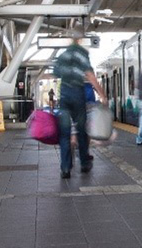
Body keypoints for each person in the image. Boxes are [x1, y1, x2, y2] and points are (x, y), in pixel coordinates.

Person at [53, 27, 107, 179]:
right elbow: (90, 75)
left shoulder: (62, 55)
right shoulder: (82, 54)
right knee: (82, 130)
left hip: (64, 95)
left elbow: (56, 73)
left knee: (64, 133)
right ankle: (84, 163)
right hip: (77, 93)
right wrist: (102, 95)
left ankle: (65, 168)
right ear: (80, 39)